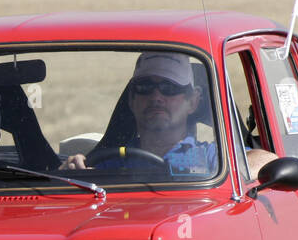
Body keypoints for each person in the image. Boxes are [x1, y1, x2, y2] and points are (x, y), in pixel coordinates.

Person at [63, 52, 218, 176]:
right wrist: (70, 174)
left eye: (169, 87)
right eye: (145, 86)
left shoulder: (215, 161)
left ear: (192, 101)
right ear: (131, 99)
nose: (156, 97)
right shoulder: (110, 164)